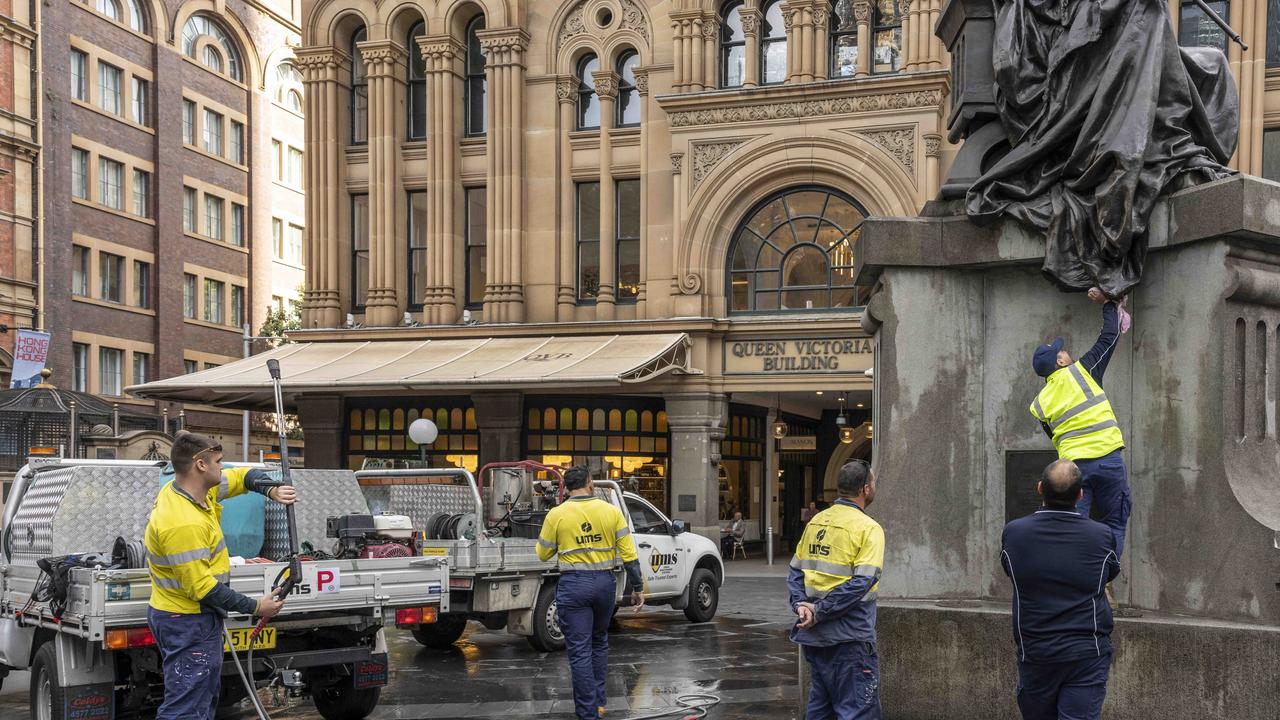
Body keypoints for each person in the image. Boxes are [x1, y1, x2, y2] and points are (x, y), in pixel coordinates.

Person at [144, 431, 298, 720]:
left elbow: (242, 477)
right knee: (186, 707)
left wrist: (270, 490)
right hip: (186, 620)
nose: (222, 467)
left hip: (193, 618)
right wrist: (256, 607)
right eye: (218, 461)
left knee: (202, 698)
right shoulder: (181, 522)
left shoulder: (195, 490)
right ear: (200, 465)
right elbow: (202, 588)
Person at [1001, 459, 1121, 720]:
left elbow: (1010, 570)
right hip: (1087, 652)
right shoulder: (1101, 535)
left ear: (1040, 488)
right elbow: (1110, 572)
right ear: (1080, 494)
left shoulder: (1014, 533)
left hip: (1037, 651)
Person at [536, 466, 644, 720]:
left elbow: (543, 554)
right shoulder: (611, 512)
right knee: (599, 642)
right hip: (605, 584)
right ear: (590, 484)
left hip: (573, 586)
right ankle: (599, 702)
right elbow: (629, 555)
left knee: (579, 650)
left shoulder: (557, 514)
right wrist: (638, 587)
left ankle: (588, 713)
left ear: (567, 488)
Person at [1029, 289, 1131, 555]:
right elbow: (1109, 337)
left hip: (1074, 468)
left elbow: (1054, 436)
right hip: (1108, 459)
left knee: (1072, 527)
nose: (1066, 352)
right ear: (1060, 361)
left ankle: (1078, 579)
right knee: (1114, 523)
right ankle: (1104, 577)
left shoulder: (1040, 403)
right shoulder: (1082, 371)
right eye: (1062, 351)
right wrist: (1109, 304)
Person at [787, 460, 884, 720]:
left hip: (814, 639)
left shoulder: (817, 521)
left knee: (821, 709)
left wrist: (801, 606)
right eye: (873, 483)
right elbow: (861, 583)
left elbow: (796, 571)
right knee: (858, 711)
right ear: (865, 489)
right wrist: (818, 611)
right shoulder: (868, 528)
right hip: (850, 639)